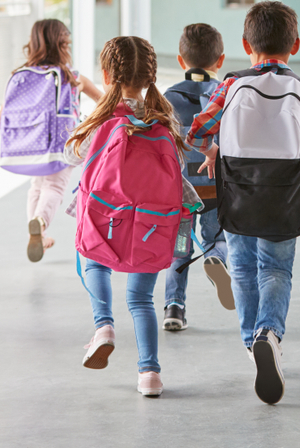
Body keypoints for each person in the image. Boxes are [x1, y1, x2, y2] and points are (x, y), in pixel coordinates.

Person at [189, 1, 300, 405]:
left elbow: (198, 132)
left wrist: (217, 148)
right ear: (296, 45)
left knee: (242, 267)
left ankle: (253, 342)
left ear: (244, 43)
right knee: (275, 268)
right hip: (286, 196)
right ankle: (269, 333)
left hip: (238, 192)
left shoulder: (231, 85)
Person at [64, 36, 195, 398]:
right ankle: (150, 374)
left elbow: (77, 163)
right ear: (151, 76)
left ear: (106, 75)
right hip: (152, 225)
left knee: (91, 260)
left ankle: (103, 325)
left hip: (107, 220)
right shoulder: (165, 122)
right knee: (140, 300)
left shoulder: (102, 121)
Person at [0, 19, 102, 262]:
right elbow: (104, 103)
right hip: (61, 145)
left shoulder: (22, 75)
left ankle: (39, 230)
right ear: (63, 45)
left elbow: (2, 112)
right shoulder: (72, 77)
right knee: (55, 186)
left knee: (38, 186)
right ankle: (40, 222)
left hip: (30, 143)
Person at [162, 23, 234, 331]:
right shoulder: (228, 93)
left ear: (181, 60)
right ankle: (215, 256)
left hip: (182, 193)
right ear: (221, 60)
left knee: (179, 250)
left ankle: (173, 309)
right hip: (216, 188)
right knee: (218, 237)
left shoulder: (168, 98)